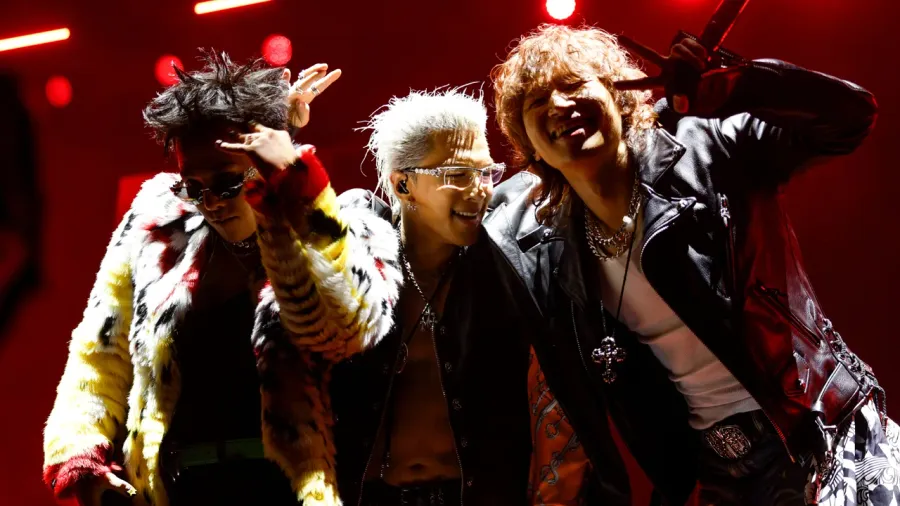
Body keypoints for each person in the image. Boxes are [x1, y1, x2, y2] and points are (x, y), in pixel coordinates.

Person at [488, 23, 899, 505]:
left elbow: (851, 116)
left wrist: (738, 83)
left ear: (620, 96)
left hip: (818, 428)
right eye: (537, 102)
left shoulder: (706, 143)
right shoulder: (555, 241)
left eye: (574, 84)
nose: (559, 104)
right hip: (722, 469)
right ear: (531, 145)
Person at [42, 51, 402, 506]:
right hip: (180, 491)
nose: (210, 202)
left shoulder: (337, 223)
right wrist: (80, 456)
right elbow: (100, 351)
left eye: (227, 183)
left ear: (265, 164)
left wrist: (293, 182)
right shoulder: (157, 226)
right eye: (193, 187)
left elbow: (349, 327)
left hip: (293, 492)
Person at [257, 88, 593, 505]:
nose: (480, 190)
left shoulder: (506, 252)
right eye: (458, 174)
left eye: (486, 173)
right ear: (404, 184)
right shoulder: (362, 251)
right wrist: (278, 142)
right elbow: (291, 254)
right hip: (371, 496)